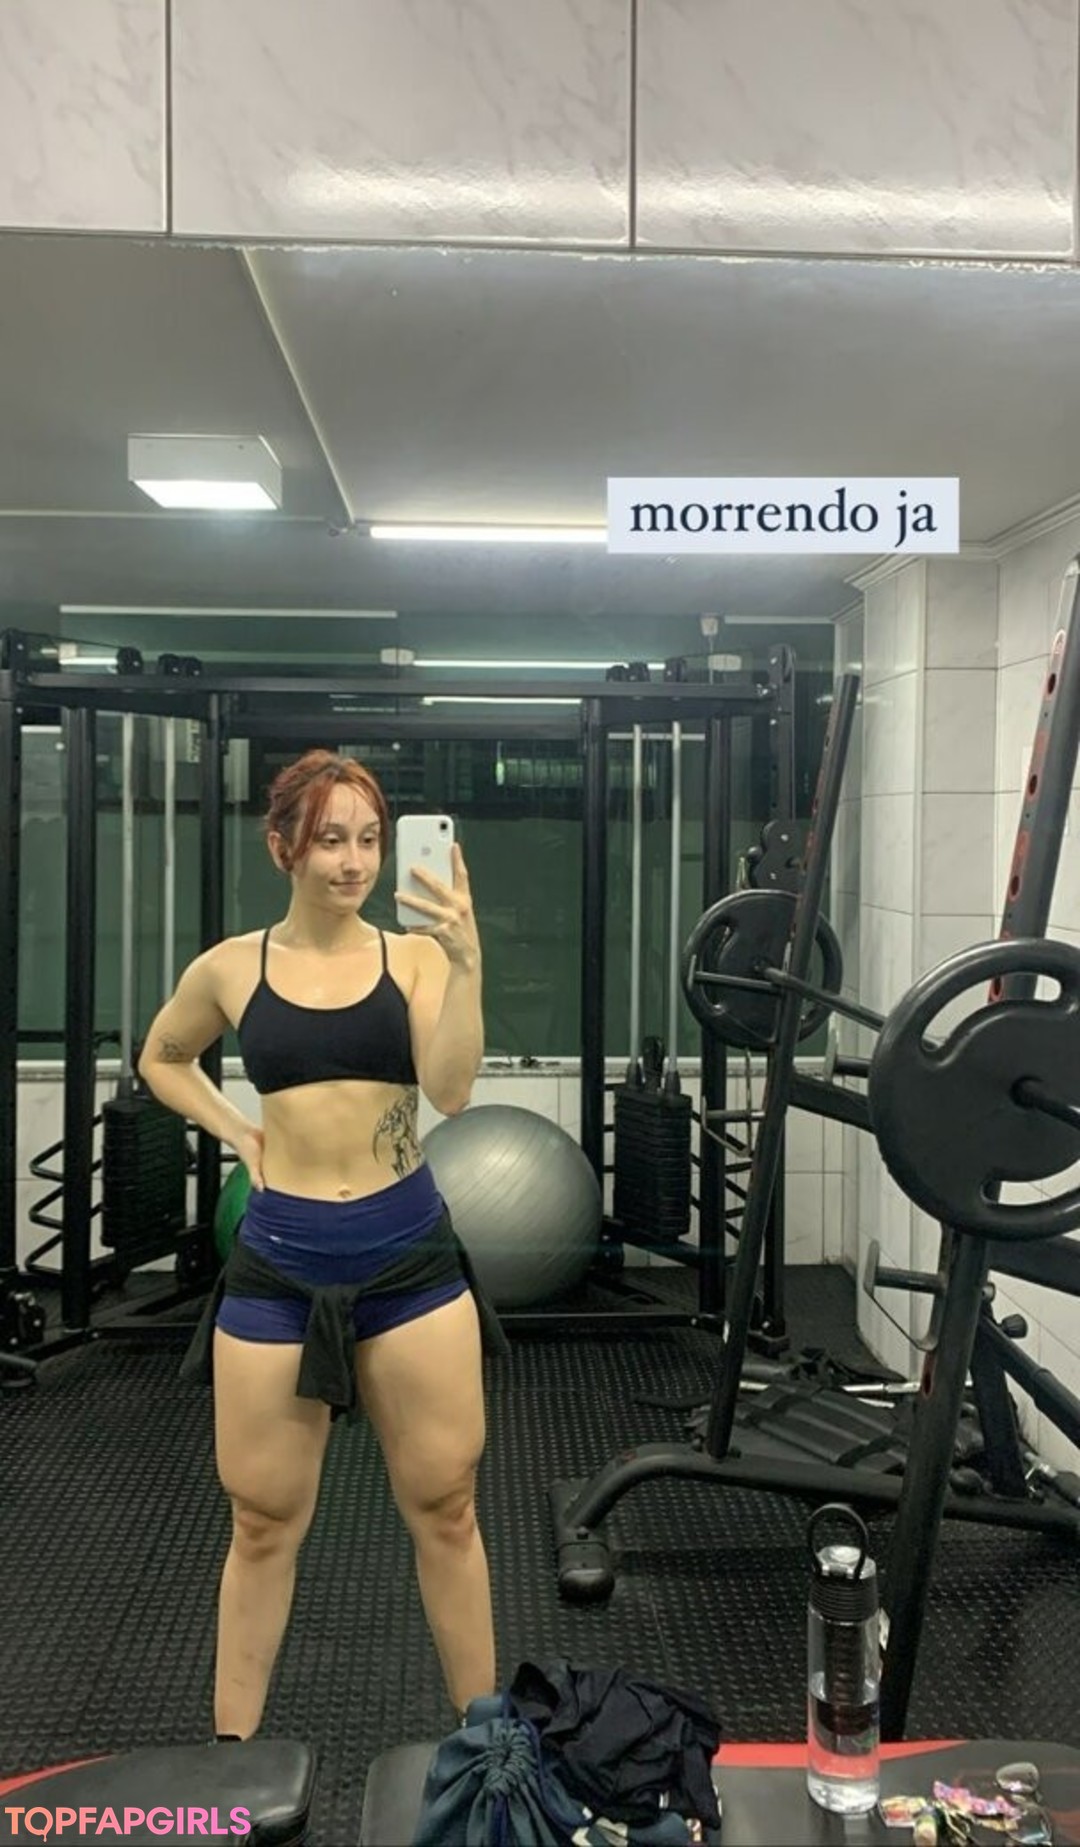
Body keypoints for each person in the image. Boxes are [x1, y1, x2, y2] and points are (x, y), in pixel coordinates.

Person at [138, 749, 506, 1740]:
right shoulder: (231, 966)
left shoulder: (415, 957)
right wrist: (237, 1129)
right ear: (282, 847)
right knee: (260, 1522)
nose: (354, 861)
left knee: (448, 1507)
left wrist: (466, 962)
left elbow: (452, 1090)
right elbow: (162, 1056)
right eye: (330, 838)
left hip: (407, 1255)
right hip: (279, 1263)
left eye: (370, 839)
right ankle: (231, 1762)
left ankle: (485, 1750)